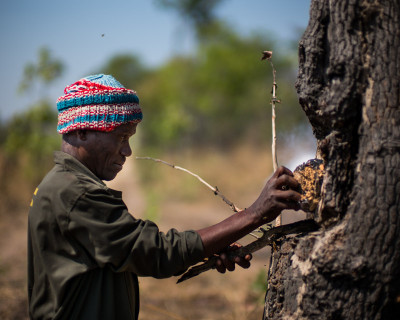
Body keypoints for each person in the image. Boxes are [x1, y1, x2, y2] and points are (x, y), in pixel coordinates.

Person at [27, 74, 301, 320]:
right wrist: (254, 215)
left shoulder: (64, 185)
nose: (127, 152)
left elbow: (129, 249)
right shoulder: (76, 192)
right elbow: (155, 253)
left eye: (129, 138)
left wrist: (212, 244)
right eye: (121, 137)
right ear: (82, 131)